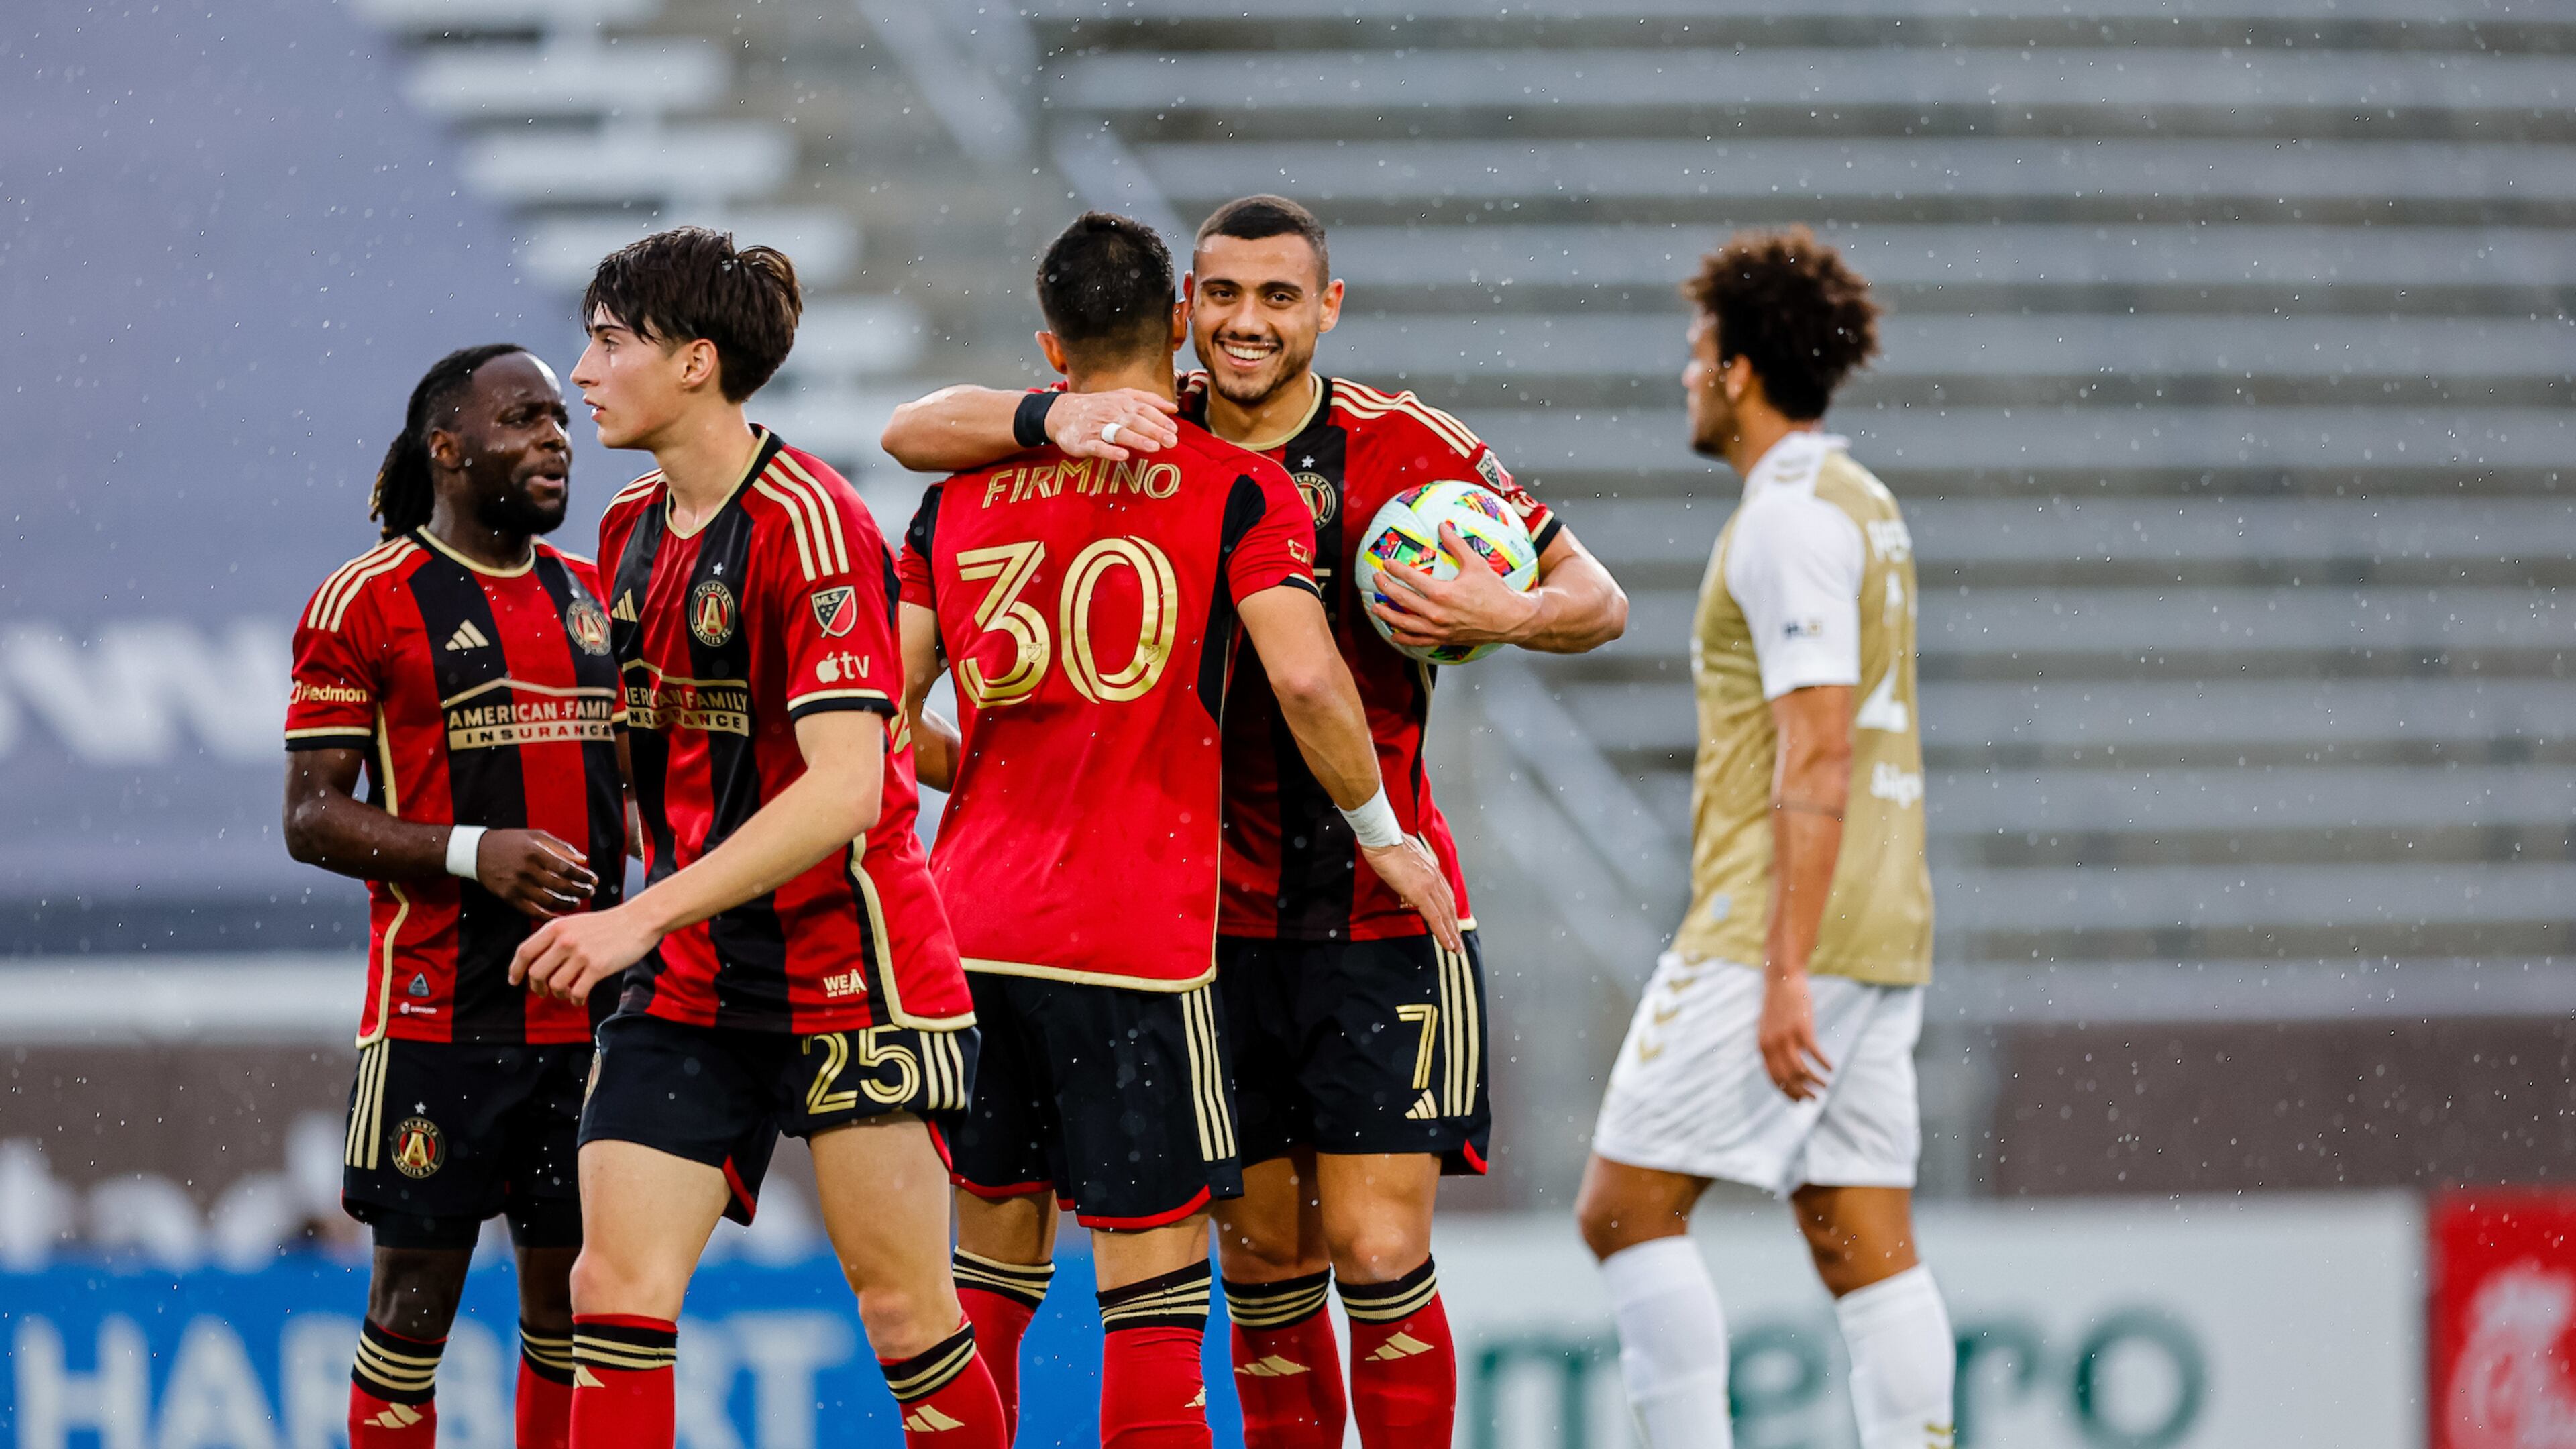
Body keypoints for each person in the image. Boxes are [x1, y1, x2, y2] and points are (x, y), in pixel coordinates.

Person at [880, 193, 1626, 1448]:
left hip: (1373, 910)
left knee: (1381, 1249)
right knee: (1267, 1270)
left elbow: (1595, 596)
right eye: (1221, 296)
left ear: (1326, 310)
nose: (1245, 322)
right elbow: (917, 429)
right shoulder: (1133, 428)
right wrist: (1050, 412)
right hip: (1192, 933)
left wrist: (1508, 614)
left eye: (1279, 298)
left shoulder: (1405, 446)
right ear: (1184, 312)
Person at [508, 227, 1006, 1448]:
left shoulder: (815, 525)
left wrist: (635, 915)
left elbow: (845, 788)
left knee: (903, 1314)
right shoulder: (627, 529)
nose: (581, 372)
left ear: (696, 363)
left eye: (611, 342)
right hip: (690, 984)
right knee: (609, 1296)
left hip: (853, 974)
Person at [1573, 228, 1952, 1449]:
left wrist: (1783, 965)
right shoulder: (1865, 500)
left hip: (1773, 925)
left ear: (1737, 371)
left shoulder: (1788, 520)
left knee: (1624, 1210)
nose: (1687, 378)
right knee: (1859, 1237)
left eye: (1695, 356)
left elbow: (1819, 745)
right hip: (1884, 917)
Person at [284, 343, 624, 1449]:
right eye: (523, 420)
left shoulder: (591, 597)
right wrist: (477, 852)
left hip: (585, 1023)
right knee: (409, 1317)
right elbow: (311, 817)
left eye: (561, 420)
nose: (555, 439)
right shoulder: (366, 601)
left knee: (573, 1314)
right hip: (439, 1020)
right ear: (448, 448)